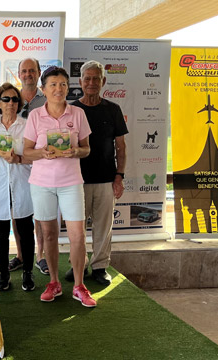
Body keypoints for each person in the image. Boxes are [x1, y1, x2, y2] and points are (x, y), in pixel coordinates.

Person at [23, 66, 96, 307]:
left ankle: (79, 285)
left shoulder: (77, 114)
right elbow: (26, 152)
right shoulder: (35, 116)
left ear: (68, 87)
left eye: (62, 84)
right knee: (50, 234)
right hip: (42, 184)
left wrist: (77, 151)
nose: (58, 89)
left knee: (78, 236)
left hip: (71, 182)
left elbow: (87, 149)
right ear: (43, 89)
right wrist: (42, 152)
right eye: (53, 84)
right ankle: (53, 282)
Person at [66, 60, 128, 286]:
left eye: (96, 78)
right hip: (75, 181)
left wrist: (119, 175)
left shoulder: (113, 109)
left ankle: (100, 266)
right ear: (80, 82)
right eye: (87, 79)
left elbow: (121, 147)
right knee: (77, 229)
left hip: (105, 179)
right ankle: (78, 265)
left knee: (103, 227)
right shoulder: (70, 110)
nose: (91, 83)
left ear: (103, 81)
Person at [0, 83, 35, 291]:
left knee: (26, 231)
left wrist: (17, 159)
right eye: (6, 99)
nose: (11, 103)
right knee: (0, 234)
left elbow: (35, 158)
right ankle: (4, 274)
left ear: (19, 103)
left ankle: (28, 273)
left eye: (14, 99)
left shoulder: (28, 125)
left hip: (22, 185)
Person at [8, 58, 49, 276]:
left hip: (41, 164)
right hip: (17, 164)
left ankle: (40, 256)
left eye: (31, 71)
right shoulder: (12, 98)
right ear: (19, 74)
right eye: (24, 71)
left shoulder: (47, 99)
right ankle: (22, 255)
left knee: (40, 212)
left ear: (39, 73)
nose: (28, 74)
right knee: (18, 211)